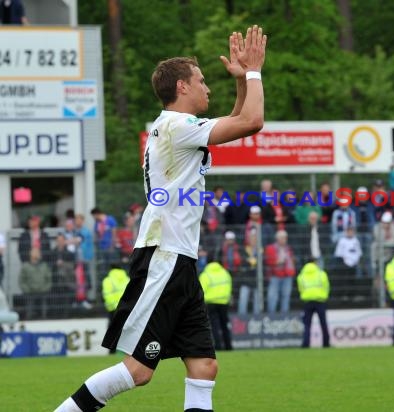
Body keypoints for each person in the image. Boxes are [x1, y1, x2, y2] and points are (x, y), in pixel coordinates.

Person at [55, 25, 267, 412]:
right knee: (138, 370)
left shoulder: (178, 129)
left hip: (178, 258)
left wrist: (241, 82)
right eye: (201, 81)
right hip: (164, 257)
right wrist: (254, 72)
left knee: (204, 365)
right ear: (182, 87)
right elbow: (252, 122)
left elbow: (238, 118)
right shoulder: (175, 126)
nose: (207, 88)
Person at [199, 260, 233, 351]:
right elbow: (229, 285)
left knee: (214, 326)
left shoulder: (205, 275)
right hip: (224, 302)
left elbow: (201, 290)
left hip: (210, 303)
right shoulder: (225, 273)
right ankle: (228, 346)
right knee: (224, 325)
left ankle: (218, 346)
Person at [297, 259, 330, 348]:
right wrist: (324, 296)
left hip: (307, 301)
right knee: (323, 323)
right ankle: (326, 343)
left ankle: (305, 344)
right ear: (315, 263)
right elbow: (326, 286)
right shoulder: (321, 274)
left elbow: (300, 289)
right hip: (320, 300)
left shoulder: (301, 276)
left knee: (307, 324)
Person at [265, 230, 296, 313]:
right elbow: (268, 261)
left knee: (286, 297)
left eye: (285, 238)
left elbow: (291, 261)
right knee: (272, 297)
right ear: (277, 238)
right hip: (275, 276)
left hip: (287, 275)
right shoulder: (270, 248)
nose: (284, 239)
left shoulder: (288, 249)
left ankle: (284, 316)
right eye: (282, 238)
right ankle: (271, 316)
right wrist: (278, 261)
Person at [102, 264, 130, 354]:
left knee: (112, 330)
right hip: (126, 307)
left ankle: (112, 350)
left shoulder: (108, 280)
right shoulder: (127, 279)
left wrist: (111, 305)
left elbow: (106, 295)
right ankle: (127, 350)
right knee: (126, 329)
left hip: (113, 308)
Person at [19, 247, 52, 319]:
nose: (35, 256)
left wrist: (45, 288)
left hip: (43, 291)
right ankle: (29, 318)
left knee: (44, 307)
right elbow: (21, 280)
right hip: (30, 292)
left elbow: (49, 279)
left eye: (37, 254)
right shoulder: (25, 266)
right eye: (34, 255)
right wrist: (27, 290)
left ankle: (44, 318)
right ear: (30, 255)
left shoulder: (44, 266)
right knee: (29, 307)